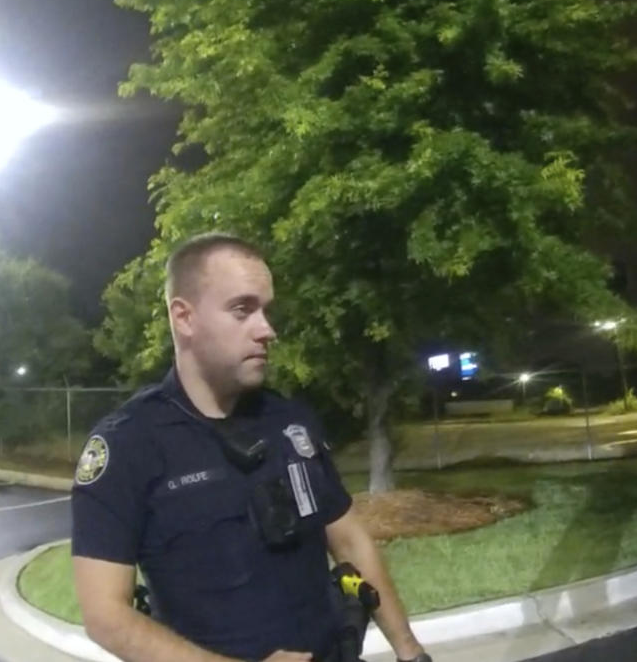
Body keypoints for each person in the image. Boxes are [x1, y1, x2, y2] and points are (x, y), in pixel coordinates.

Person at [71, 233, 431, 662]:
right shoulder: (127, 445)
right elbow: (105, 615)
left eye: (266, 310)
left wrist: (410, 652)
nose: (267, 330)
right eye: (242, 309)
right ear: (184, 318)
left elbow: (350, 540)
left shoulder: (291, 422)